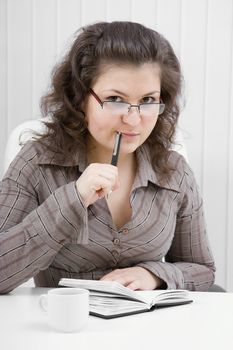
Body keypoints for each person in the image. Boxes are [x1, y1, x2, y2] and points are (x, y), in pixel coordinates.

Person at [0, 21, 215, 294]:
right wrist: (73, 199)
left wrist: (154, 275)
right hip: (63, 332)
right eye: (115, 98)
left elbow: (203, 270)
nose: (133, 119)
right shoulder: (37, 162)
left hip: (150, 332)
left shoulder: (174, 171)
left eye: (148, 100)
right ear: (80, 97)